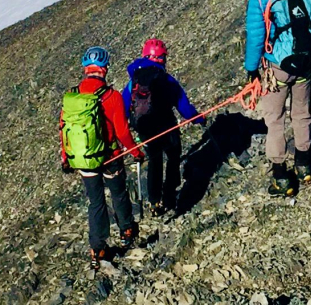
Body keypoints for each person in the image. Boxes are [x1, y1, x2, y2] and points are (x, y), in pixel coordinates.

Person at [244, 0, 311, 197]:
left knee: (275, 120)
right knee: (302, 114)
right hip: (305, 62)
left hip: (277, 67)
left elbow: (256, 36)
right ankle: (304, 165)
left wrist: (251, 70)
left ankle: (281, 177)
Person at [59, 45, 142, 267]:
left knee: (95, 202)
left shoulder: (72, 97)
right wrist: (136, 152)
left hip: (84, 159)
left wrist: (66, 158)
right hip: (110, 157)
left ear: (86, 68)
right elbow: (122, 132)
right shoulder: (112, 96)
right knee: (118, 194)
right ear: (104, 69)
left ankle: (98, 249)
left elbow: (63, 128)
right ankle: (126, 231)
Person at [121, 38, 205, 216]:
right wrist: (199, 119)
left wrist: (127, 130)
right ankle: (169, 195)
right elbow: (183, 107)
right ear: (162, 58)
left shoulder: (133, 81)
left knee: (154, 161)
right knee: (173, 156)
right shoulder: (168, 80)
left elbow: (124, 107)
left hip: (144, 129)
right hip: (166, 126)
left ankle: (154, 201)